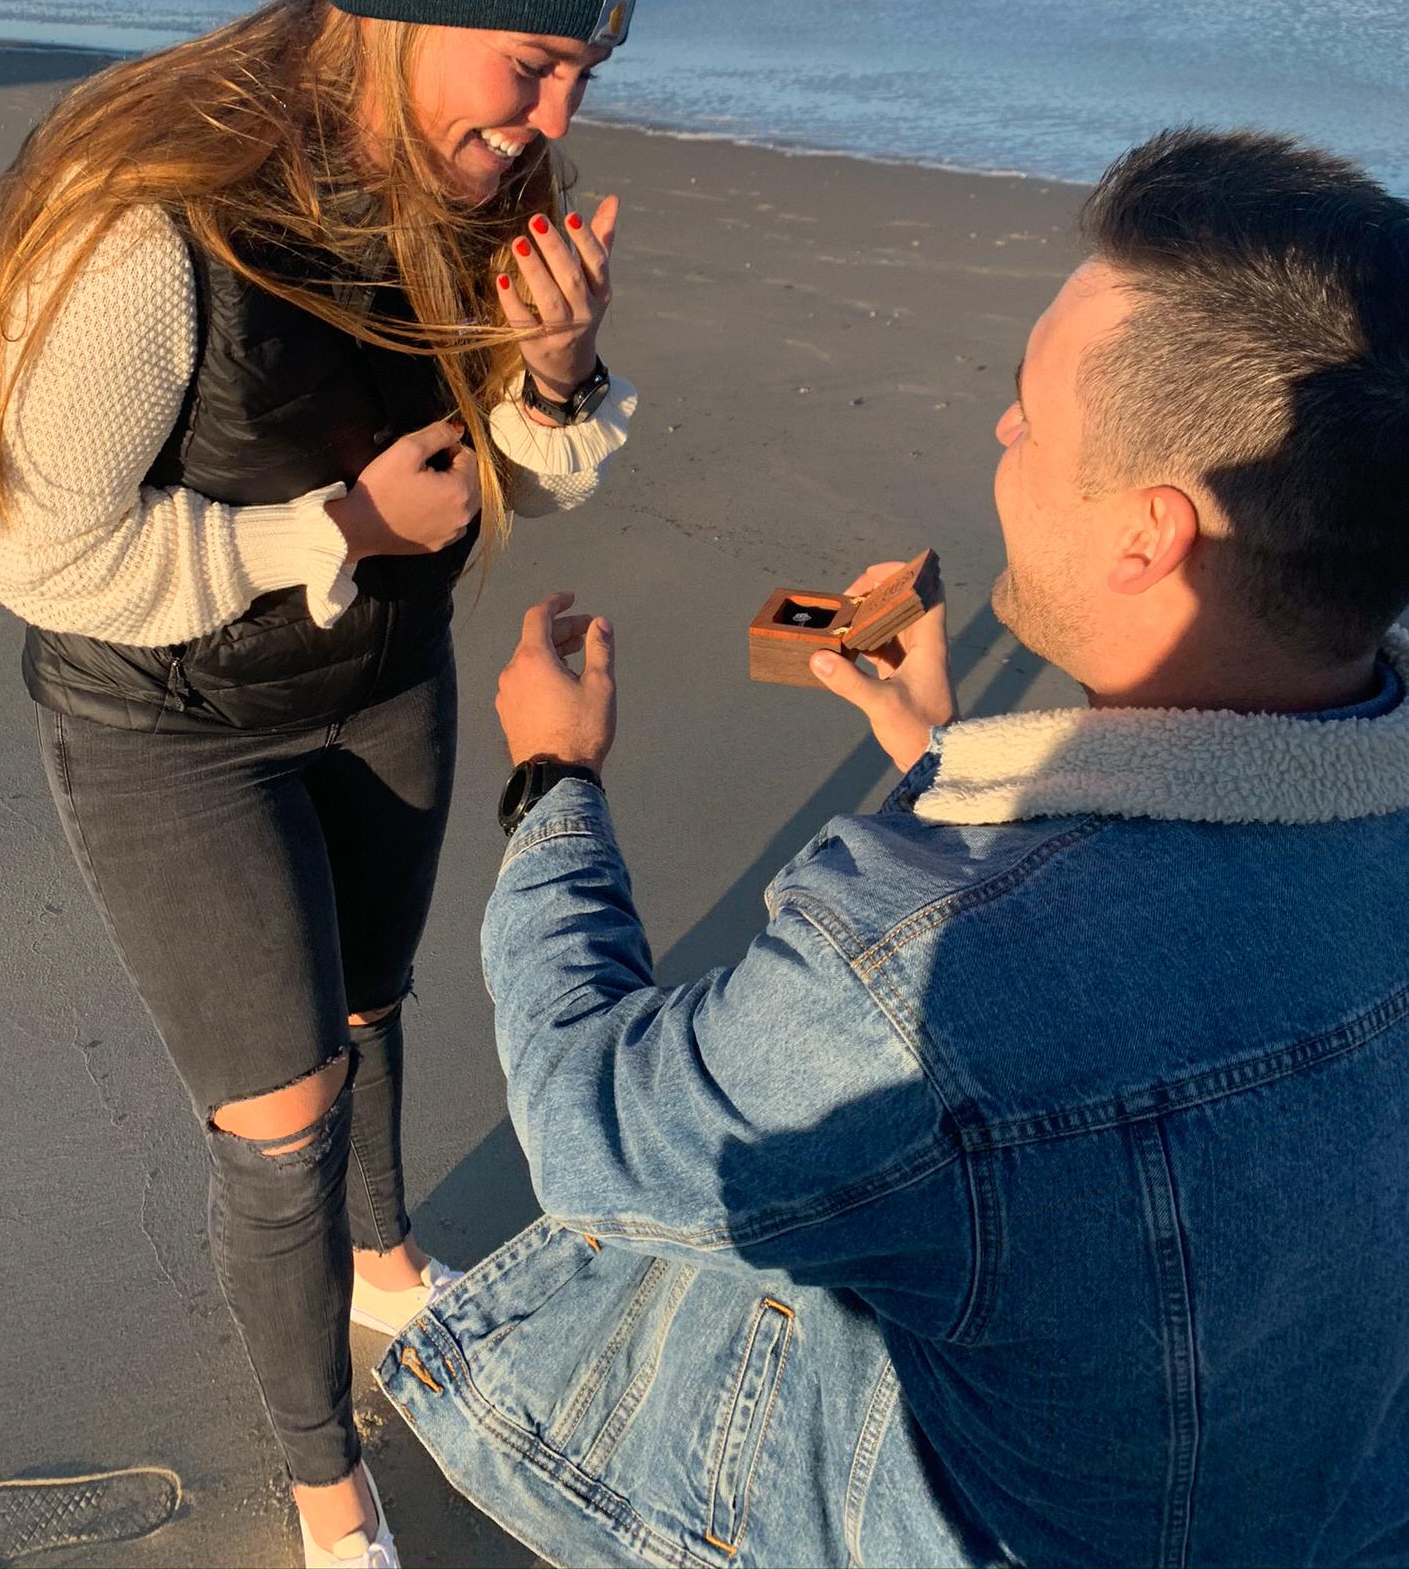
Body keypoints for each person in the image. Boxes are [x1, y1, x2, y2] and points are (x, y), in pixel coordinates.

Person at [381, 128, 1409, 1569]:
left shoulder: (930, 969)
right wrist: (942, 755)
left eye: (1028, 420)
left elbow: (594, 1128)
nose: (999, 435)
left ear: (1148, 538)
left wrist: (552, 781)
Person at [0, 0, 639, 1569]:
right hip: (166, 723)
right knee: (283, 1113)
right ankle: (328, 1486)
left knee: (374, 1001)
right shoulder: (144, 211)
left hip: (380, 677)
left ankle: (388, 1269)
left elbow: (511, 467)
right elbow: (35, 554)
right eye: (530, 64)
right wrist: (335, 523)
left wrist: (555, 376)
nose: (554, 115)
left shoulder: (482, 174)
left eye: (584, 73)